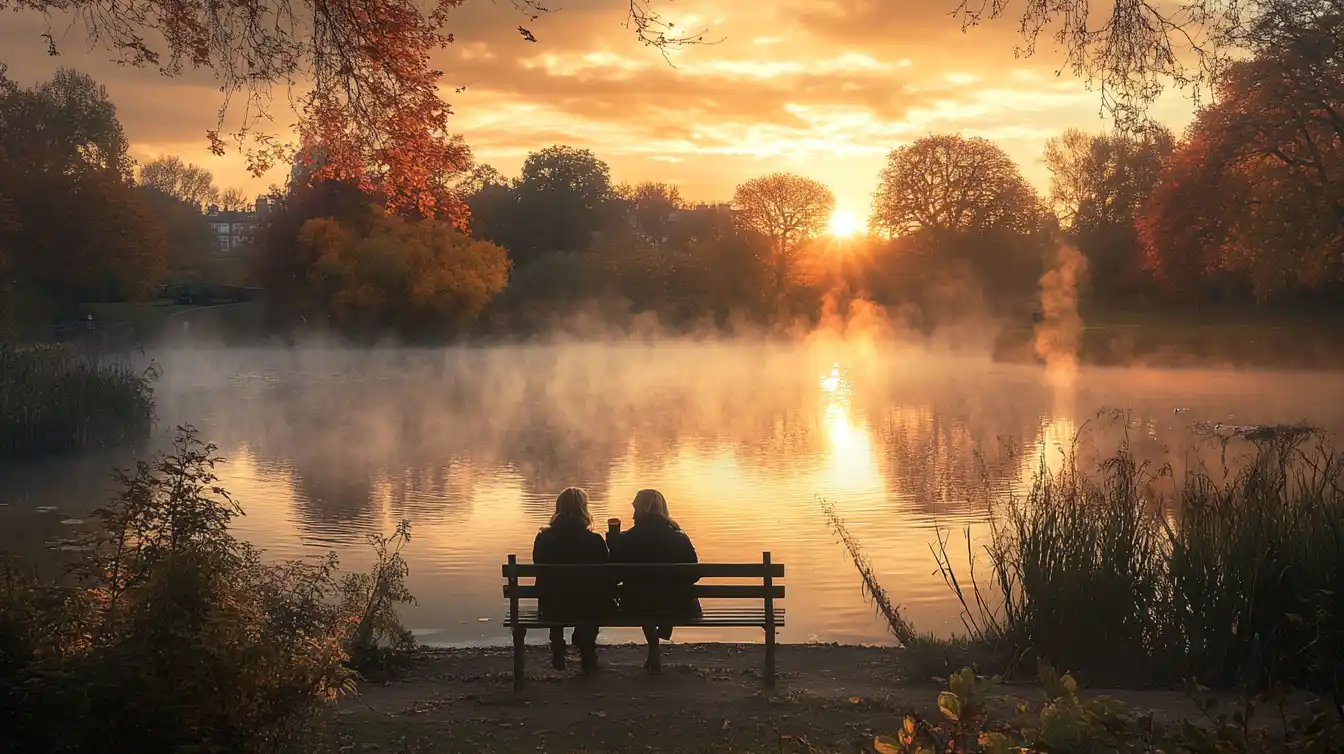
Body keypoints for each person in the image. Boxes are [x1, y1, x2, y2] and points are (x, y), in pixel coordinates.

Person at [610, 489, 700, 673]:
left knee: (644, 596)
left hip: (636, 605)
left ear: (642, 509)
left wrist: (613, 543)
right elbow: (694, 573)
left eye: (635, 507)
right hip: (679, 605)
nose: (632, 511)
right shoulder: (678, 536)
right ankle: (663, 632)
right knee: (664, 593)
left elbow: (615, 576)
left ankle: (654, 646)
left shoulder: (628, 538)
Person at [532, 487, 612, 674]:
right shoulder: (594, 540)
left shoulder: (544, 538)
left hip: (553, 606)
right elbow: (607, 574)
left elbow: (540, 569)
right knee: (591, 596)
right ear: (584, 509)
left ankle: (558, 645)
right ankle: (587, 652)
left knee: (554, 590)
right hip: (589, 606)